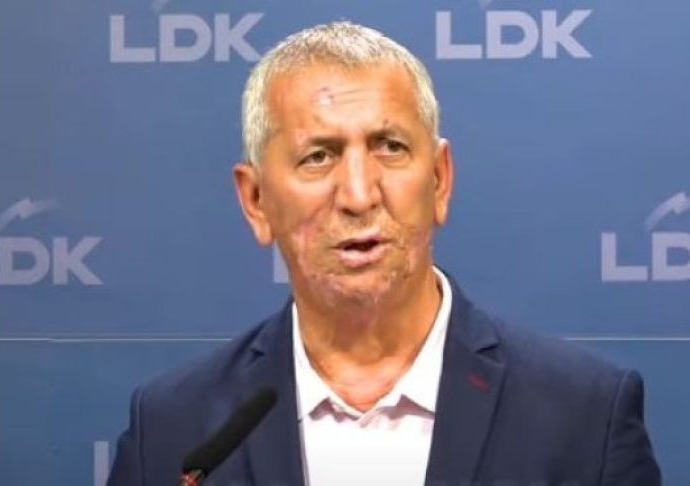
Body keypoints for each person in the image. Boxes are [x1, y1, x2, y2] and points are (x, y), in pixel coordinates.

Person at [107, 22, 661, 486]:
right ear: (256, 201)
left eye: (390, 148)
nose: (358, 195)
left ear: (439, 180)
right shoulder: (175, 429)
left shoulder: (584, 417)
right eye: (318, 156)